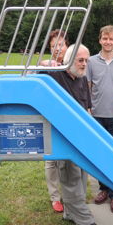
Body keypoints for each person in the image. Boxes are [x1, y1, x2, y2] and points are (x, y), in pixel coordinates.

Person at [46, 43, 105, 225]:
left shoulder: (82, 79)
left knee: (80, 177)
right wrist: (46, 62)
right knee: (70, 179)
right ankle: (86, 221)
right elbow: (34, 73)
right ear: (67, 60)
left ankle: (69, 214)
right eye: (80, 60)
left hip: (81, 139)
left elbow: (88, 109)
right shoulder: (55, 75)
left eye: (86, 60)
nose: (84, 64)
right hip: (63, 139)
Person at [87, 25, 113, 213]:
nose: (108, 42)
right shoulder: (91, 62)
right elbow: (87, 88)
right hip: (97, 116)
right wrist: (88, 111)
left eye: (111, 39)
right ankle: (103, 189)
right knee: (100, 156)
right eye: (105, 38)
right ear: (100, 40)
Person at [42, 29, 69, 213]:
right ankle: (55, 197)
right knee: (51, 160)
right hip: (50, 119)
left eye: (60, 44)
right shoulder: (46, 67)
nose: (57, 49)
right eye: (53, 46)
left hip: (69, 119)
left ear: (67, 45)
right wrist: (40, 64)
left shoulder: (73, 64)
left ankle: (70, 196)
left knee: (68, 159)